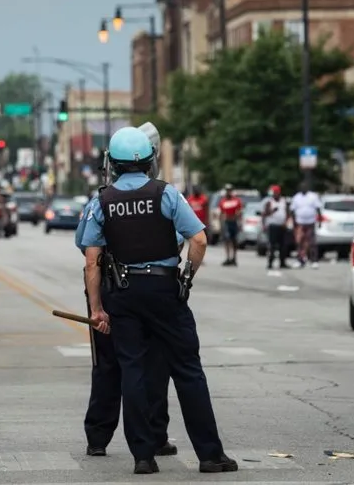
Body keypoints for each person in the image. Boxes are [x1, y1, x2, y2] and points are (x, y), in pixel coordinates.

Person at [81, 126, 237, 475]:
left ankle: (143, 456)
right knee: (187, 370)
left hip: (122, 294)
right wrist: (185, 279)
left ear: (114, 164)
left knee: (132, 370)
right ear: (150, 160)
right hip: (164, 291)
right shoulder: (166, 194)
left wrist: (96, 308)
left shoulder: (101, 201)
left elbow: (91, 261)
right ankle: (210, 455)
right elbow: (198, 240)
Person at [76, 201, 181, 459]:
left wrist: (95, 306)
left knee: (108, 366)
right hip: (154, 291)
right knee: (154, 366)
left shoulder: (100, 203)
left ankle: (98, 439)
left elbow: (86, 248)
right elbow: (178, 242)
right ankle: (155, 437)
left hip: (112, 291)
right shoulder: (161, 197)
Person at [289, 182, 322, 269]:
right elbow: (292, 210)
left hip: (310, 222)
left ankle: (314, 260)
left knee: (312, 242)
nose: (303, 188)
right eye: (302, 187)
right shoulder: (297, 197)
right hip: (300, 223)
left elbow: (318, 209)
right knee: (299, 242)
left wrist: (320, 221)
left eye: (305, 187)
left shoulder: (313, 196)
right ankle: (300, 260)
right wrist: (294, 222)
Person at [262, 185, 289, 270]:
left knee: (283, 245)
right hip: (273, 225)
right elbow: (265, 214)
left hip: (282, 225)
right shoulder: (269, 202)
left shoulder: (283, 201)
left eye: (276, 192)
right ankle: (270, 262)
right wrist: (272, 211)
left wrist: (286, 222)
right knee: (272, 245)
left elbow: (287, 213)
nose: (275, 194)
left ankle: (282, 262)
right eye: (274, 193)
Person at [218, 184, 242, 266]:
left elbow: (239, 211)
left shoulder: (236, 200)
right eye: (227, 190)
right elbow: (221, 213)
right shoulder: (223, 201)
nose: (229, 191)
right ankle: (228, 258)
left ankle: (234, 258)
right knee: (227, 240)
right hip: (226, 222)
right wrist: (220, 224)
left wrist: (239, 222)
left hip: (234, 222)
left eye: (230, 190)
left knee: (234, 240)